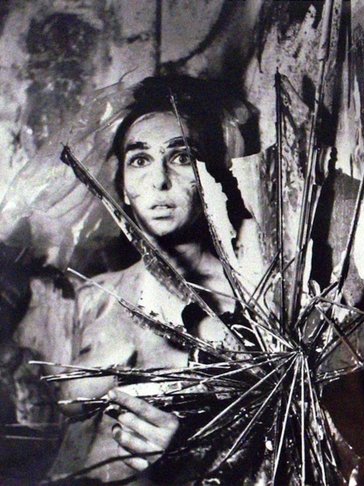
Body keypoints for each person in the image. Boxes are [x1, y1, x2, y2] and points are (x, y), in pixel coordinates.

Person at [49, 75, 263, 485]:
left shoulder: (249, 296)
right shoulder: (94, 295)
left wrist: (188, 452)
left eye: (181, 157)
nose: (159, 180)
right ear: (123, 186)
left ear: (212, 175)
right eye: (140, 160)